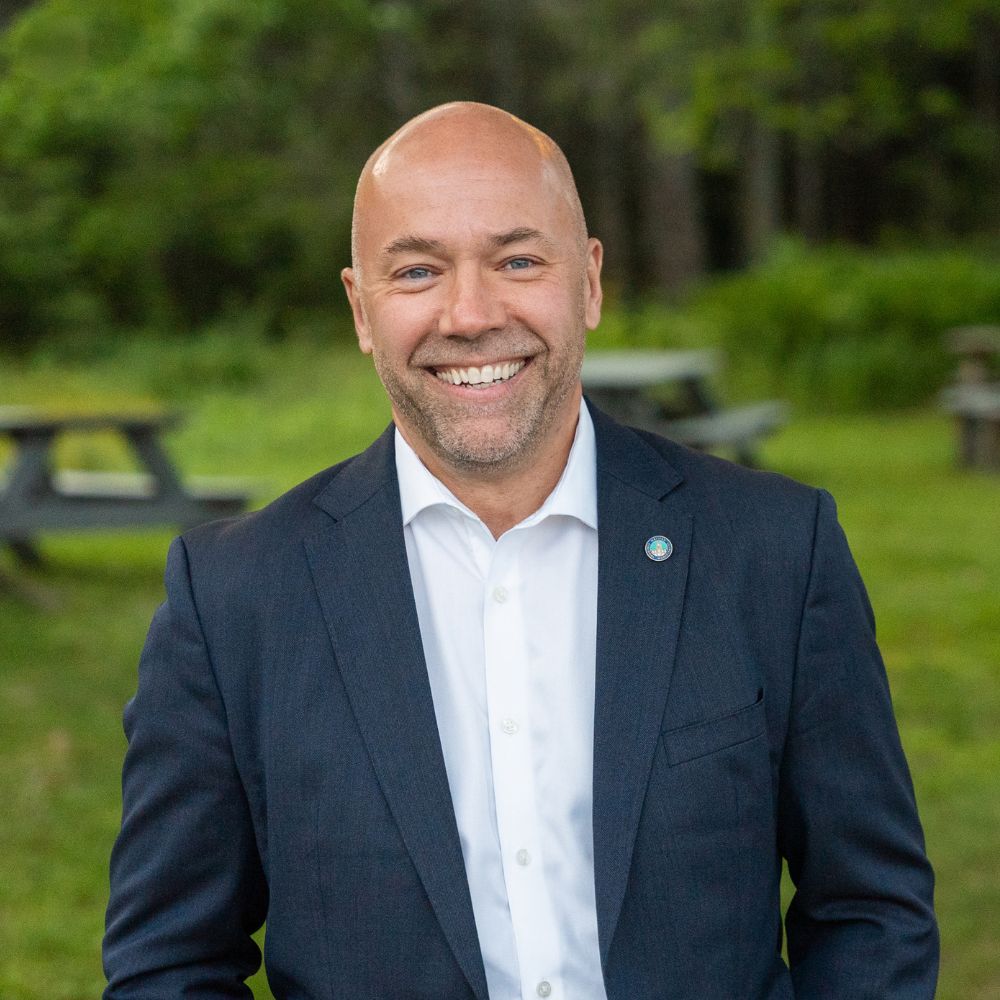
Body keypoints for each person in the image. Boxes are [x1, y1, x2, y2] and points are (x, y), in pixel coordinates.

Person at [104, 102, 939, 999]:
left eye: (518, 261)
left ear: (588, 282)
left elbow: (870, 914)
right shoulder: (233, 600)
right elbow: (171, 965)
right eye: (418, 269)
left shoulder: (773, 551)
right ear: (360, 307)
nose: (470, 315)